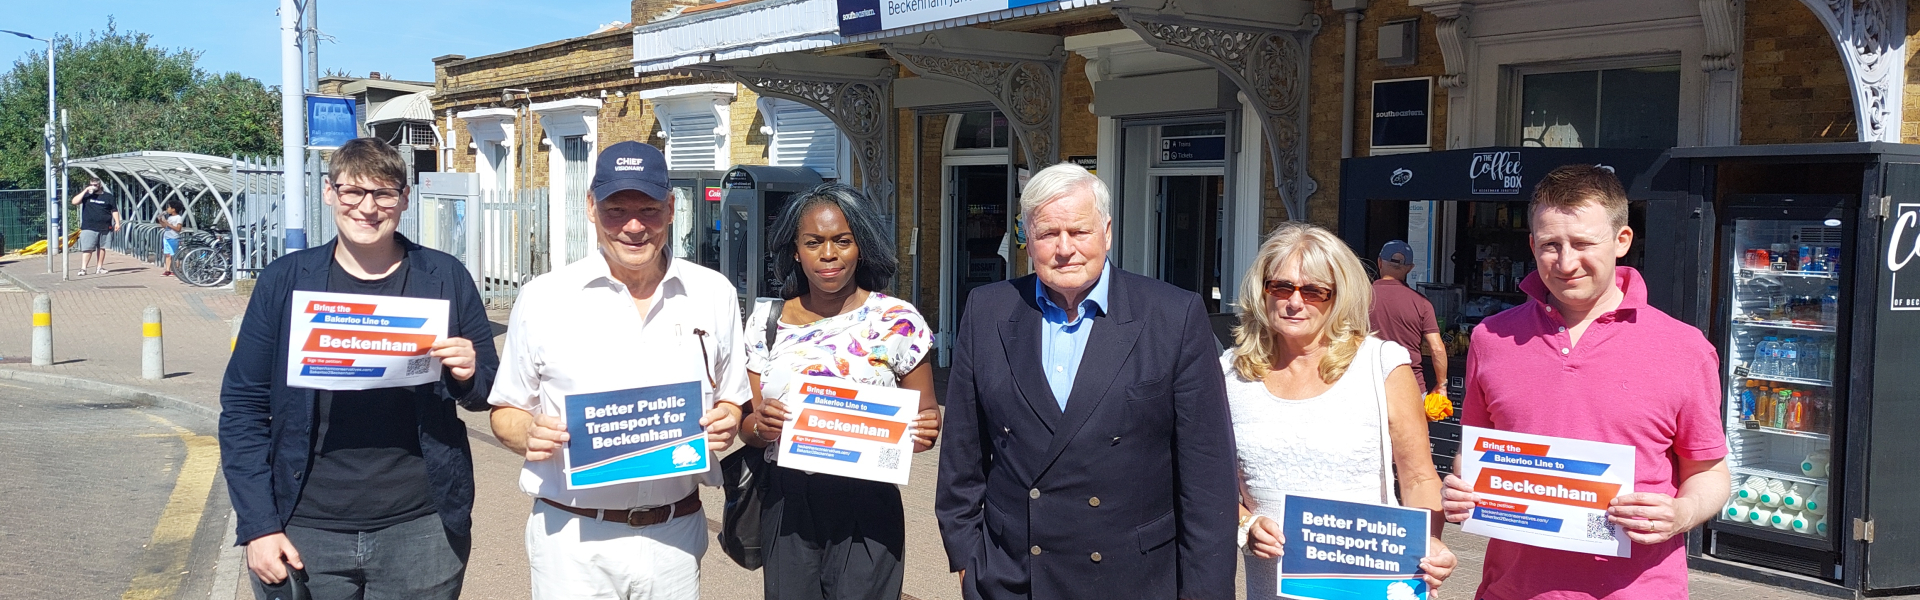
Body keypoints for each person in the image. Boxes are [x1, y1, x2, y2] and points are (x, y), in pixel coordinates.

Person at [936, 162, 1237, 600]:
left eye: (1079, 232)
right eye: (1047, 234)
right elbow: (962, 455)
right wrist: (967, 561)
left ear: (1107, 232)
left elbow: (1207, 481)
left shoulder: (1173, 316)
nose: (1064, 249)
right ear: (1027, 239)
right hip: (1012, 578)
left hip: (1131, 579)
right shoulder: (987, 310)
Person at [218, 138, 499, 599]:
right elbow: (244, 408)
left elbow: (487, 389)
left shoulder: (444, 276)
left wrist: (467, 372)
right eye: (353, 192)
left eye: (384, 193)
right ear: (331, 193)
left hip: (421, 526)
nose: (368, 208)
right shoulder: (285, 281)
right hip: (304, 527)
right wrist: (258, 526)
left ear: (405, 199)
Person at [1440, 165, 1730, 599]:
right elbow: (1475, 453)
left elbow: (1709, 472)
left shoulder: (1685, 349)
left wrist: (1681, 512)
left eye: (1582, 244)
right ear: (1532, 244)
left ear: (1622, 241)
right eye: (1551, 245)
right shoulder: (1492, 338)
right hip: (1512, 589)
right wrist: (1461, 489)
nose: (1566, 262)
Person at [488, 140, 747, 600]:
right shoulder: (545, 297)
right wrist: (527, 430)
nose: (633, 226)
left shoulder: (714, 293)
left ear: (671, 208)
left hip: (674, 533)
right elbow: (504, 410)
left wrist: (728, 419)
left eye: (648, 209)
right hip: (572, 539)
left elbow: (733, 397)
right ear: (590, 207)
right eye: (615, 209)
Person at [1223, 222, 1456, 599]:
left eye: (1314, 291)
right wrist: (1245, 525)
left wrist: (1430, 541)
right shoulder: (1230, 374)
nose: (1294, 302)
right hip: (1270, 588)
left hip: (1370, 587)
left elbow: (1418, 478)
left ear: (1338, 296)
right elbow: (1210, 485)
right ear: (1262, 290)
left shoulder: (1382, 365)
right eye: (1281, 286)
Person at [740, 182, 939, 600]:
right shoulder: (766, 322)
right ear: (795, 250)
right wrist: (761, 425)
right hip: (790, 499)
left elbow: (924, 425)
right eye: (813, 242)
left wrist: (923, 430)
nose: (828, 254)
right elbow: (749, 428)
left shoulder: (898, 321)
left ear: (860, 247)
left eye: (841, 241)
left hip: (868, 500)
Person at [1369, 240, 1447, 392]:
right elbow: (1437, 349)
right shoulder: (1422, 303)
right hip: (1411, 387)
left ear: (1379, 262)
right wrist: (1441, 384)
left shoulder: (1358, 298)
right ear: (1410, 268)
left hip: (1370, 385)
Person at [70, 177, 121, 275]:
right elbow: (74, 202)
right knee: (87, 248)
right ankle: (83, 268)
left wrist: (117, 223)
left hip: (104, 226)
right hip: (89, 226)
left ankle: (99, 267)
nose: (93, 187)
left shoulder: (108, 197)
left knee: (102, 247)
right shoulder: (87, 195)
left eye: (95, 185)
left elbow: (114, 210)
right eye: (91, 185)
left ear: (100, 185)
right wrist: (85, 190)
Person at [157, 200, 185, 277]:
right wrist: (161, 221)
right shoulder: (170, 217)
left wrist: (168, 224)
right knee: (168, 254)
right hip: (166, 237)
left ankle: (175, 269)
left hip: (174, 238)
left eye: (169, 207)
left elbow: (178, 229)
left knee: (174, 254)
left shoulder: (178, 218)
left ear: (174, 209)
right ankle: (167, 270)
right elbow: (165, 226)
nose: (167, 209)